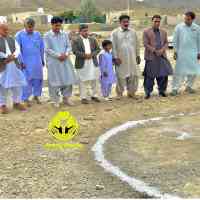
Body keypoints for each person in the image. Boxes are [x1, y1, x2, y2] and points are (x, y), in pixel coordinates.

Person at [44, 16, 77, 108]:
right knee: (54, 81)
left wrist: (66, 54)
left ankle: (66, 98)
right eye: (56, 26)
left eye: (59, 26)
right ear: (52, 25)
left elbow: (69, 46)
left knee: (68, 79)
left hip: (65, 60)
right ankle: (55, 100)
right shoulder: (47, 35)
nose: (58, 28)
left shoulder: (64, 34)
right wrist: (59, 55)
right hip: (54, 62)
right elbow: (47, 49)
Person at [16, 18, 44, 106]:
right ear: (25, 26)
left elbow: (41, 48)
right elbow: (17, 50)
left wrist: (42, 59)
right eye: (29, 27)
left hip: (37, 60)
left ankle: (36, 95)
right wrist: (21, 61)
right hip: (25, 61)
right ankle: (25, 98)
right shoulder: (19, 35)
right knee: (26, 80)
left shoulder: (37, 34)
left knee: (38, 79)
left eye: (32, 27)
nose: (30, 29)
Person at [143, 15, 173, 99]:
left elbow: (166, 43)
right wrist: (155, 51)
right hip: (151, 56)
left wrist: (162, 50)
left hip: (162, 56)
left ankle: (162, 91)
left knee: (163, 74)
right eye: (155, 21)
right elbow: (145, 44)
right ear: (152, 21)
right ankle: (148, 92)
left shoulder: (164, 32)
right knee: (149, 75)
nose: (157, 23)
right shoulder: (146, 31)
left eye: (159, 21)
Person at [111, 15, 141, 100]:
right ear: (120, 22)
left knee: (133, 75)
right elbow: (113, 47)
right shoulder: (115, 33)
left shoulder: (133, 32)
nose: (126, 23)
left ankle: (131, 93)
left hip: (132, 58)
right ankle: (119, 94)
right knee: (120, 76)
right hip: (121, 59)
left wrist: (138, 55)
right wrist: (115, 58)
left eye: (127, 22)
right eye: (124, 22)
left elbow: (137, 44)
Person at [171, 11, 200, 96]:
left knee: (193, 71)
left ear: (192, 19)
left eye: (188, 19)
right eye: (185, 19)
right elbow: (175, 40)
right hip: (181, 52)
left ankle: (189, 86)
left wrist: (199, 52)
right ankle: (175, 88)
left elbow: (199, 41)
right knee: (179, 71)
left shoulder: (197, 28)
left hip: (193, 52)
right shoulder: (179, 27)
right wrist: (175, 51)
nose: (186, 21)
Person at [0, 23, 27, 114]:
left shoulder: (12, 39)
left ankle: (17, 102)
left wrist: (13, 56)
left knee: (17, 84)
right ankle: (2, 105)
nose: (7, 31)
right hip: (3, 65)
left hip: (14, 64)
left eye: (7, 30)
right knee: (2, 85)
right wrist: (6, 57)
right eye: (4, 30)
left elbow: (18, 48)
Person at [72, 24, 101, 104]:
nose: (86, 32)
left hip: (93, 62)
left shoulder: (93, 39)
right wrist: (85, 55)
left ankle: (94, 95)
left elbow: (98, 49)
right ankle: (83, 97)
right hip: (82, 63)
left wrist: (91, 55)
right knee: (82, 80)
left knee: (94, 79)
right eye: (84, 31)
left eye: (87, 30)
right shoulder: (76, 40)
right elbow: (75, 51)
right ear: (80, 32)